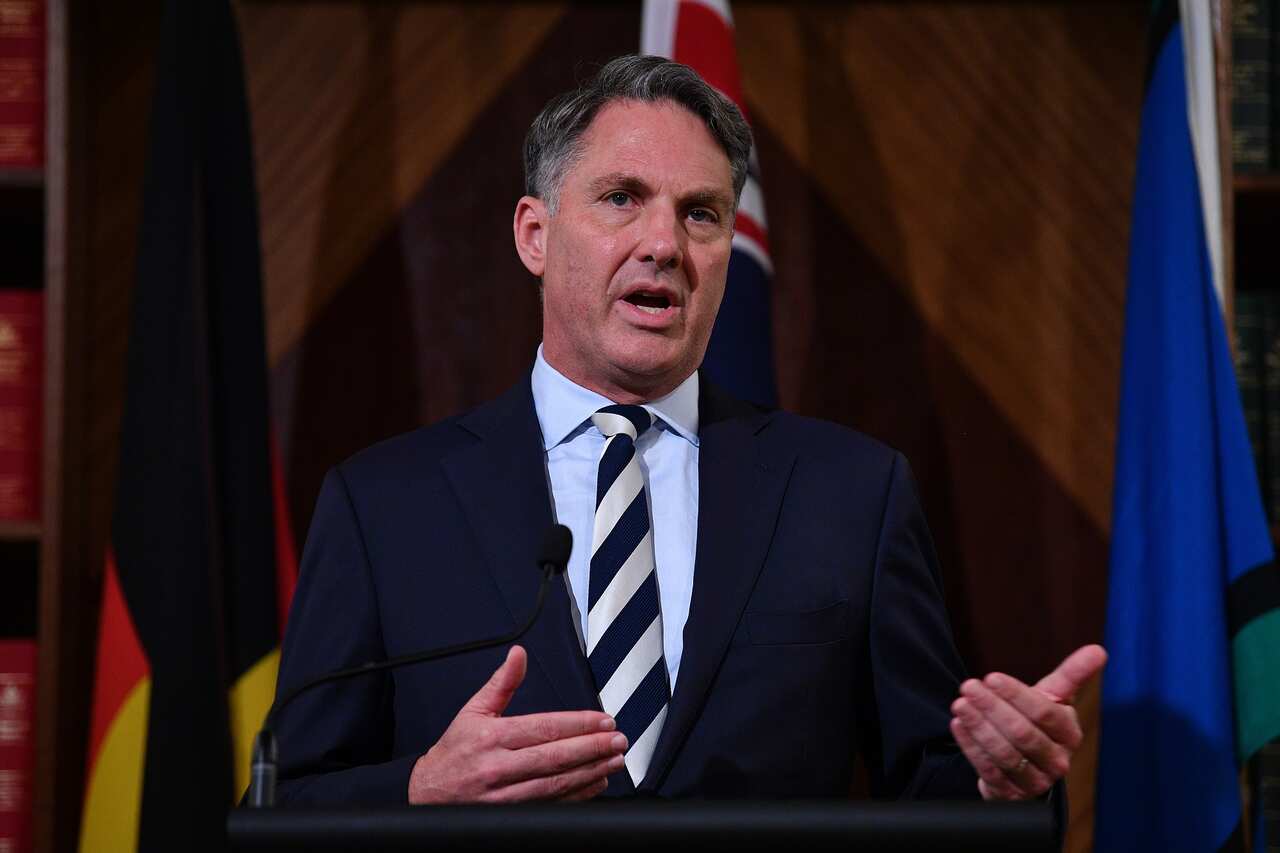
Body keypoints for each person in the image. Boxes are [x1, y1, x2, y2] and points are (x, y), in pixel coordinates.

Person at [272, 54, 1106, 806]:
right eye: (622, 198)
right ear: (535, 233)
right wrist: (420, 788)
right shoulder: (386, 504)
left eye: (702, 213)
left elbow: (932, 784)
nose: (664, 244)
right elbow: (287, 799)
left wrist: (1003, 782)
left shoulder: (850, 493)